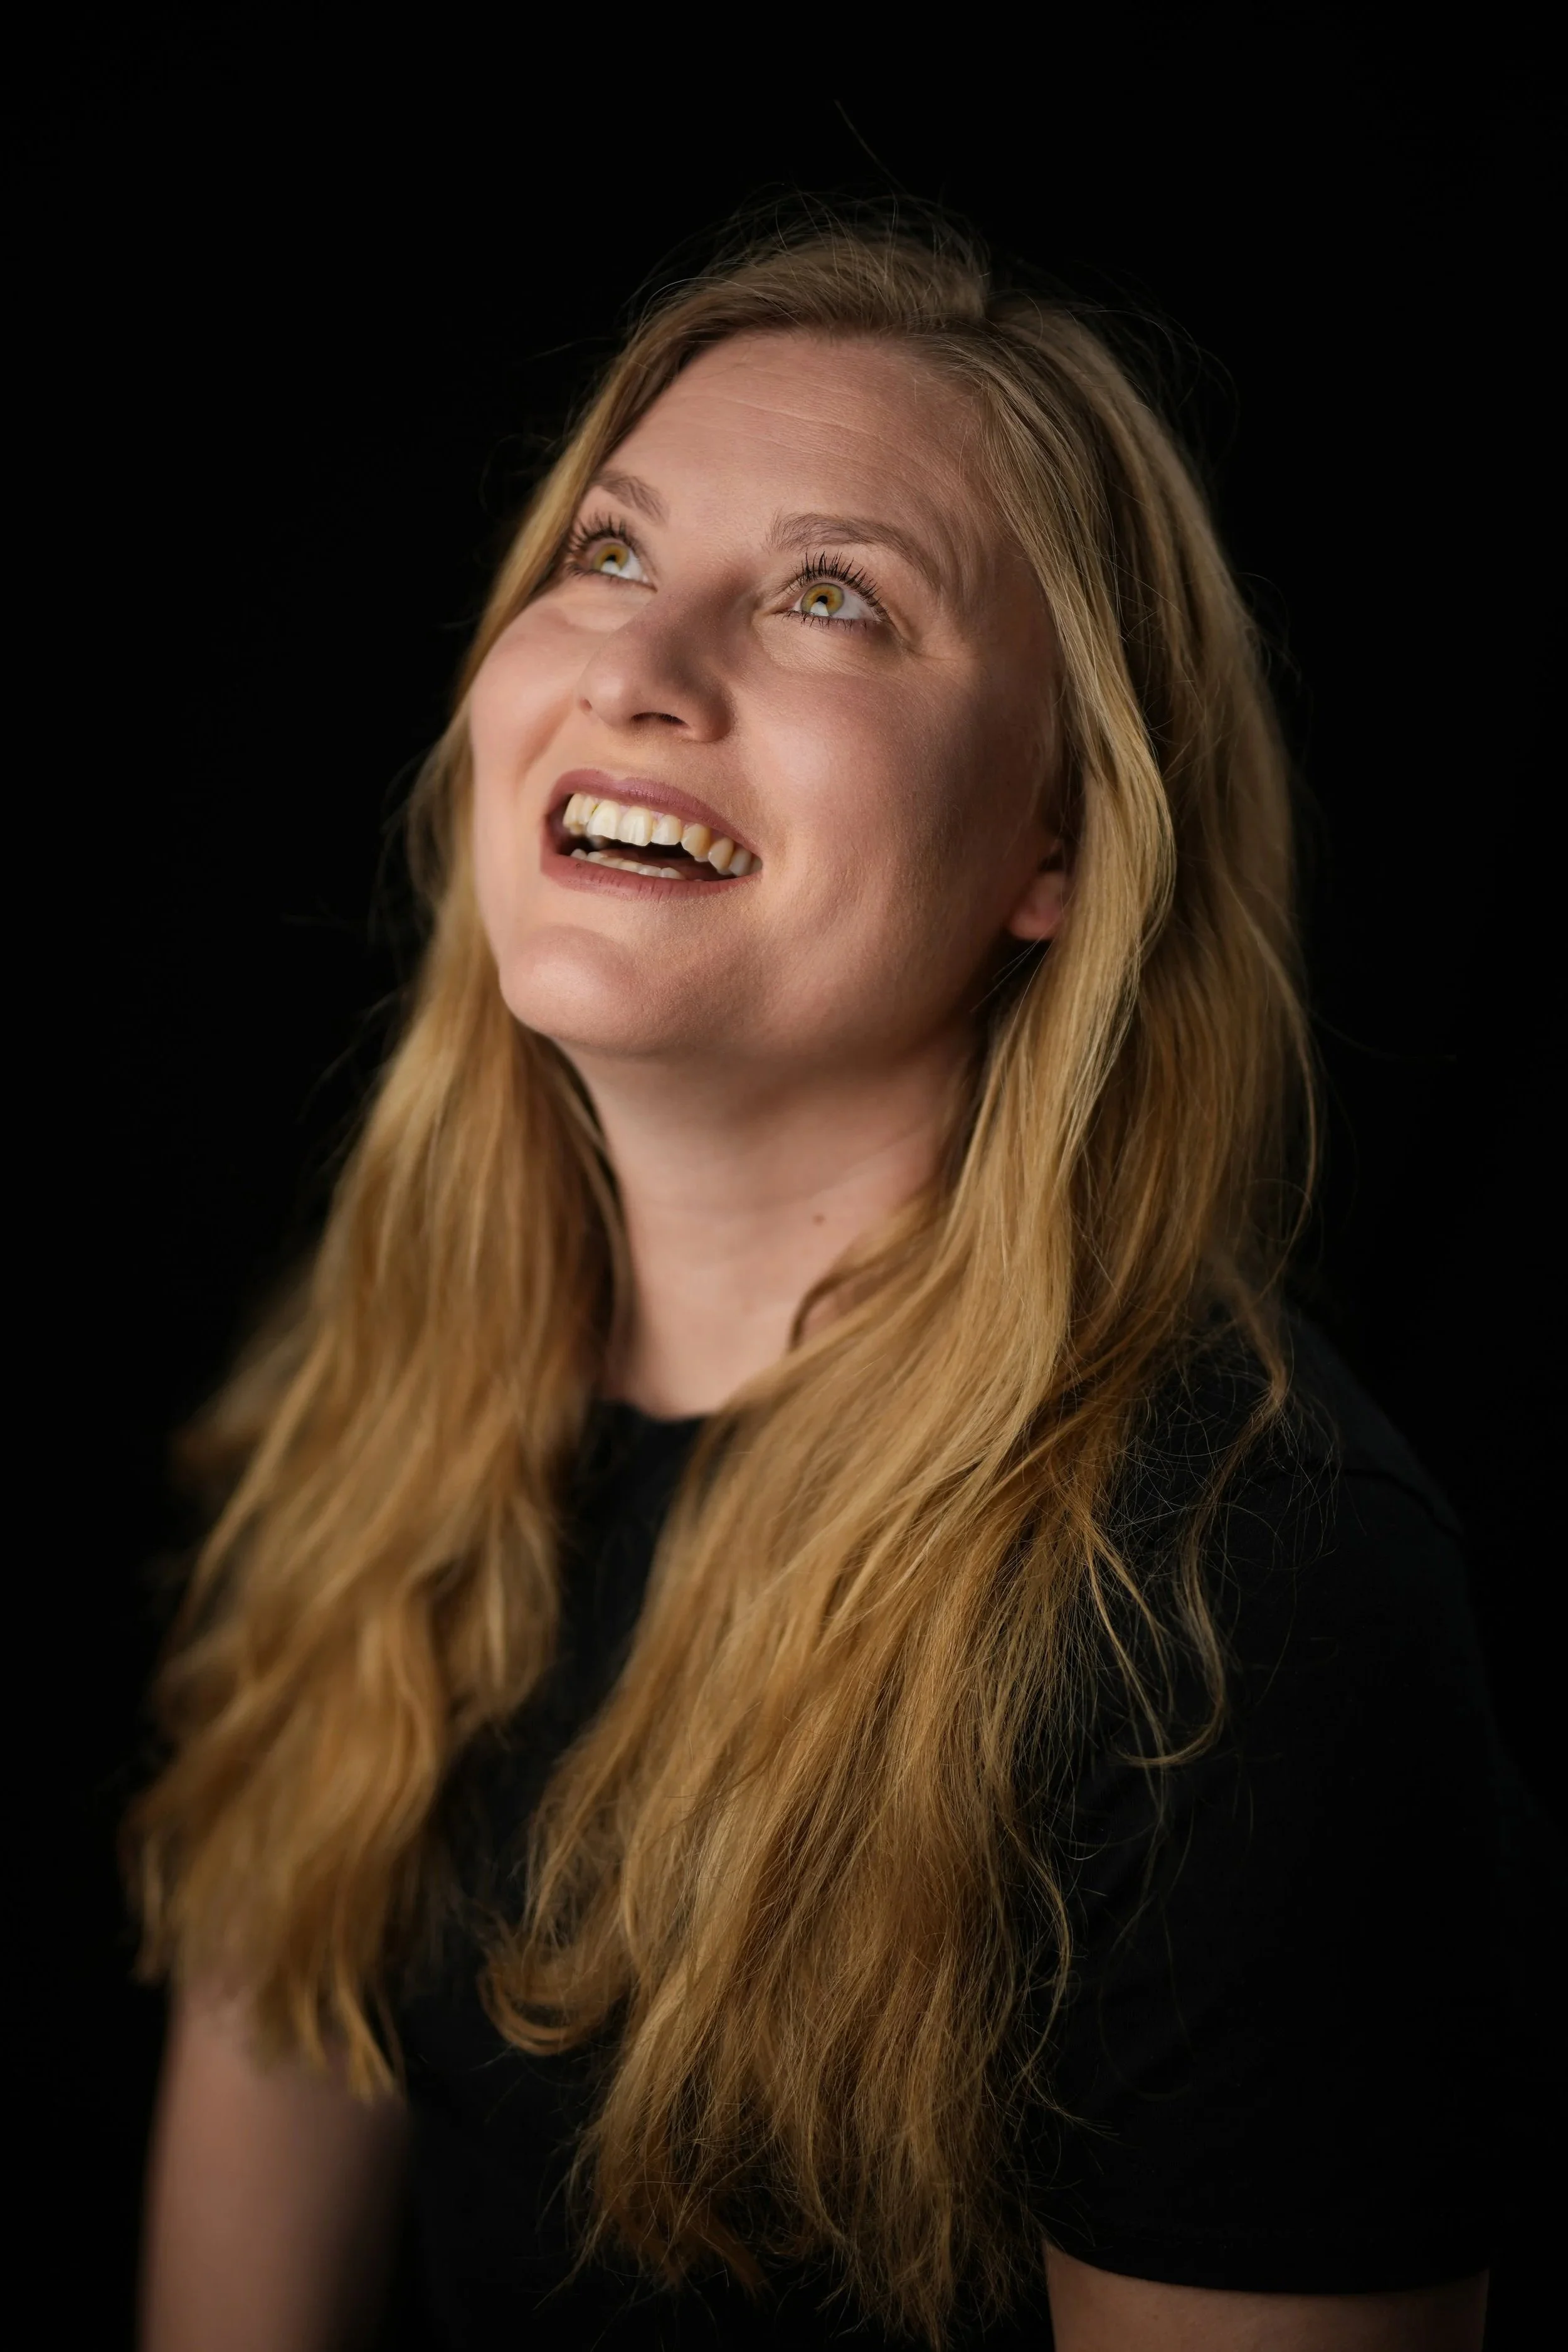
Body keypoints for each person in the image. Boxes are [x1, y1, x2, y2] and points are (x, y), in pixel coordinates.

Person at [131, 217, 1507, 2350]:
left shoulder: (1239, 1603)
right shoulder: (391, 1392)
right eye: (606, 550)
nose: (641, 666)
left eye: (830, 596)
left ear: (1056, 844)